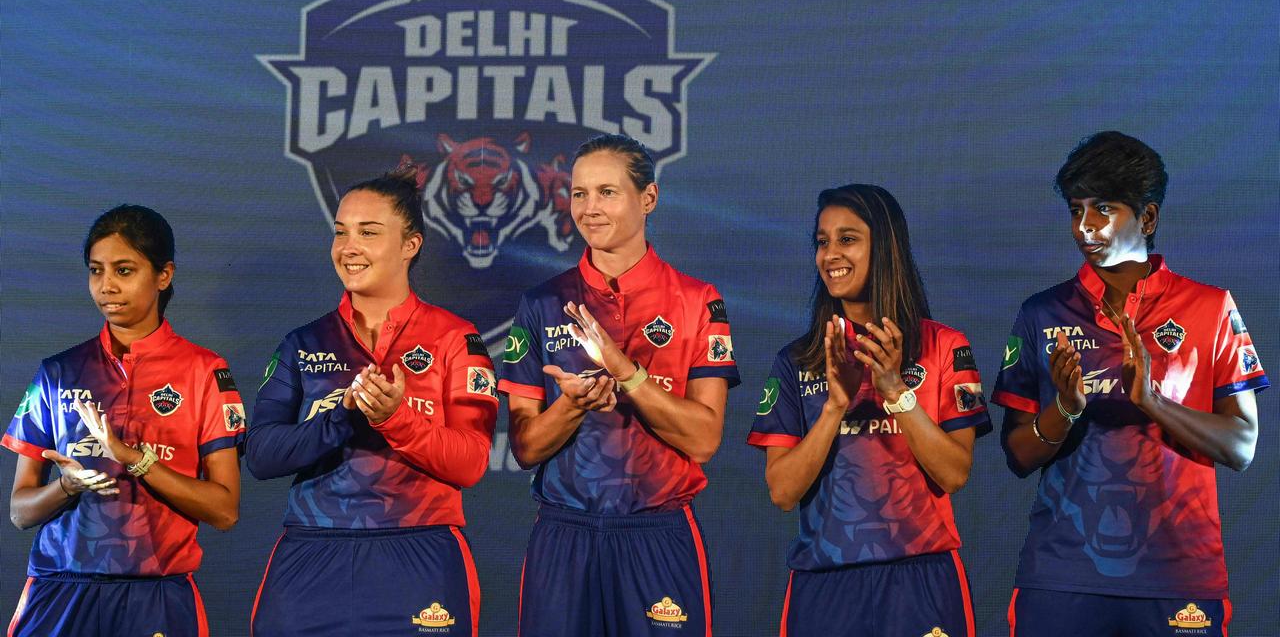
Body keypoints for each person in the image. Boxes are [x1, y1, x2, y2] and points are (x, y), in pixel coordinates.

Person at [993, 131, 1267, 637]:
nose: (1084, 227)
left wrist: (1153, 402)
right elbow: (1017, 456)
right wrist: (1066, 409)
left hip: (1181, 578)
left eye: (1103, 209)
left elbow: (1242, 447)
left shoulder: (1210, 308)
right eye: (1076, 210)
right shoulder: (1040, 313)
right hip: (1061, 578)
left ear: (1147, 218)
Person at [498, 134, 740, 637]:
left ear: (648, 198)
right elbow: (524, 448)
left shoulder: (697, 301)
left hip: (658, 534)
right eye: (579, 193)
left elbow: (704, 438)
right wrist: (570, 406)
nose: (589, 209)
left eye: (607, 192)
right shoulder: (542, 304)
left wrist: (628, 375)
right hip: (564, 534)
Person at [245, 170, 497, 637]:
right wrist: (342, 418)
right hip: (312, 554)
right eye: (340, 232)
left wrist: (394, 420)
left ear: (410, 245)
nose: (348, 247)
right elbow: (260, 455)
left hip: (419, 555)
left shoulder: (454, 338)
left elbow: (471, 463)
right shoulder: (304, 341)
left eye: (368, 232)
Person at [747, 184, 989, 637]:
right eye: (823, 241)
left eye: (848, 238)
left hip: (922, 581)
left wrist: (896, 390)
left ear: (886, 246)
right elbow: (781, 491)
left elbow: (954, 473)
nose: (831, 254)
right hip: (825, 585)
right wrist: (835, 406)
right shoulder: (797, 360)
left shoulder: (945, 347)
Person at [4, 204, 244, 637]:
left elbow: (224, 511)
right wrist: (66, 486)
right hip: (59, 593)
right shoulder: (58, 372)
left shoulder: (204, 371)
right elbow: (20, 513)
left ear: (164, 275)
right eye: (96, 271)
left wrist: (133, 458)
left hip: (156, 597)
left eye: (124, 270)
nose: (106, 286)